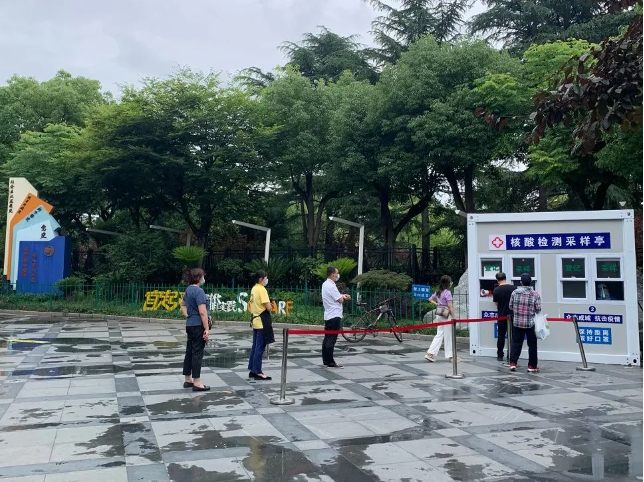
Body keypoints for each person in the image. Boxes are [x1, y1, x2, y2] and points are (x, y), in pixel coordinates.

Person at [182, 268, 210, 391]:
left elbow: (183, 305)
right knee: (197, 353)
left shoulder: (188, 290)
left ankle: (188, 379)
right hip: (198, 325)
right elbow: (203, 312)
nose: (204, 278)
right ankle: (197, 382)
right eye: (203, 276)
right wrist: (207, 328)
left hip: (189, 325)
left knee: (189, 351)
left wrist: (188, 315)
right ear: (198, 278)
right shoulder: (199, 291)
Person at [508, 273, 542, 373]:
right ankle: (532, 366)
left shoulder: (515, 292)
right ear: (531, 282)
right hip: (530, 323)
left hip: (517, 322)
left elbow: (510, 306)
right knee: (532, 345)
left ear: (521, 282)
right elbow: (538, 309)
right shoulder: (535, 294)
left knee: (516, 343)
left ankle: (513, 363)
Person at [247, 270, 275, 380]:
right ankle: (257, 371)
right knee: (260, 347)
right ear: (261, 279)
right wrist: (272, 305)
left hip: (255, 320)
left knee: (255, 347)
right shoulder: (262, 289)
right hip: (262, 322)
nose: (266, 280)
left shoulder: (254, 288)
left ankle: (253, 369)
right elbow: (268, 307)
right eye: (266, 278)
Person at [321, 266, 351, 368]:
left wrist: (341, 295)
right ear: (332, 274)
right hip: (334, 315)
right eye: (336, 273)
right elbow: (340, 300)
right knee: (332, 339)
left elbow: (335, 296)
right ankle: (330, 362)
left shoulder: (325, 284)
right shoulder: (331, 286)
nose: (337, 275)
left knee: (327, 338)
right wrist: (345, 297)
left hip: (328, 314)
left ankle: (326, 360)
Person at [425, 275, 454, 362]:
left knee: (439, 334)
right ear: (448, 283)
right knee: (448, 335)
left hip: (439, 314)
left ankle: (430, 353)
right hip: (446, 315)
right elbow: (450, 306)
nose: (451, 283)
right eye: (450, 282)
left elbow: (430, 299)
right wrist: (454, 316)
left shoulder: (438, 291)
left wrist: (437, 304)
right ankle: (450, 356)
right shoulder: (447, 292)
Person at [492, 272, 516, 362]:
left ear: (497, 280)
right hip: (512, 315)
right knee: (513, 335)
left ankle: (500, 355)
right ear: (505, 278)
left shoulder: (496, 290)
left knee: (501, 336)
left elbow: (496, 303)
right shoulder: (513, 288)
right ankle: (512, 355)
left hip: (501, 316)